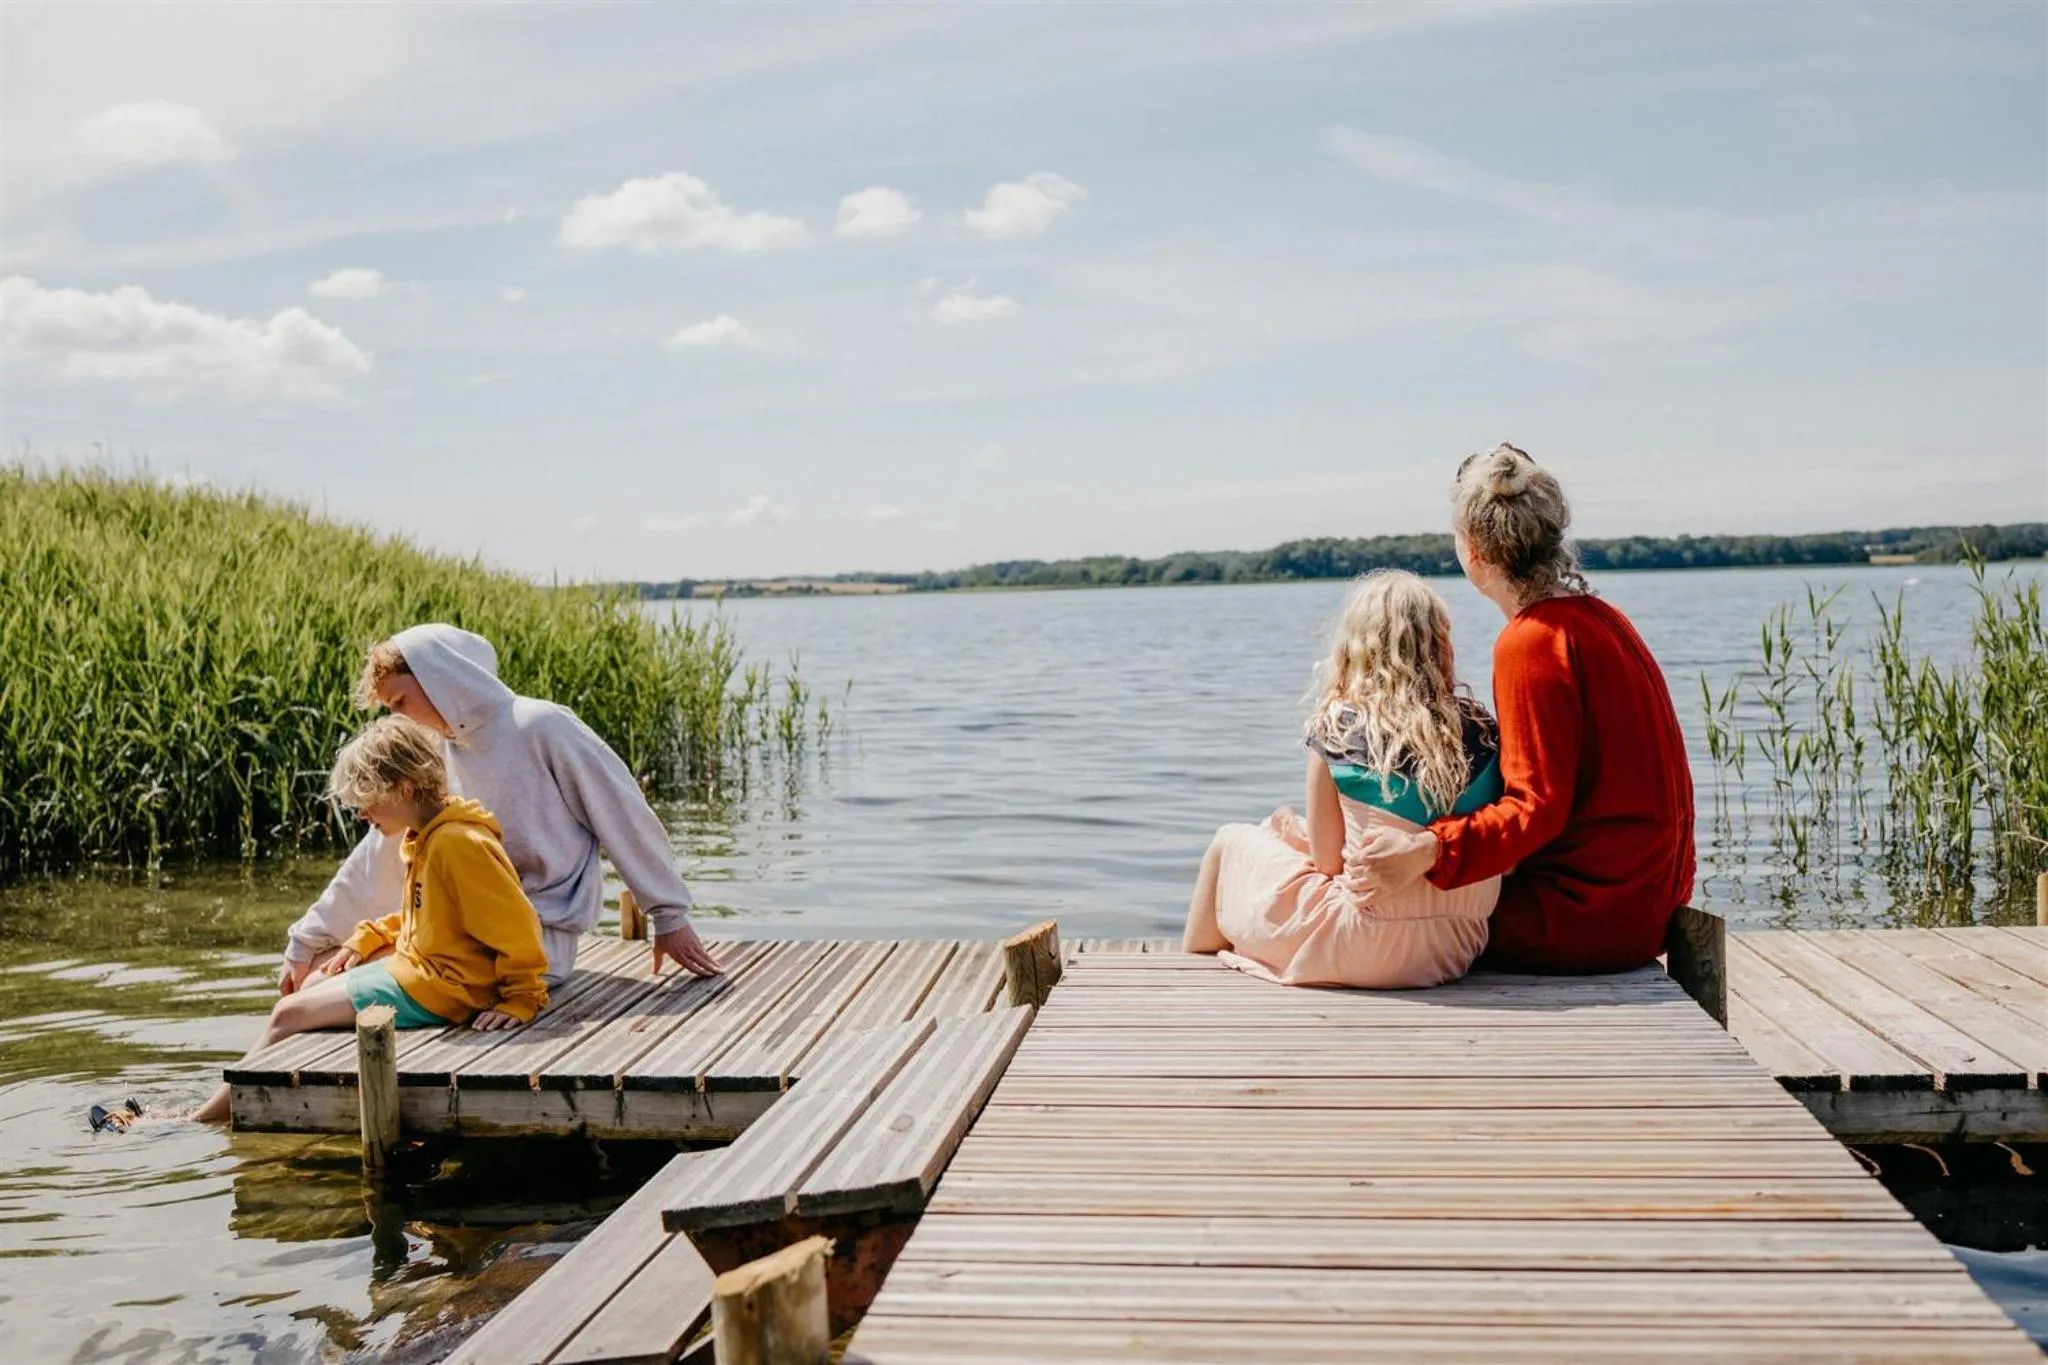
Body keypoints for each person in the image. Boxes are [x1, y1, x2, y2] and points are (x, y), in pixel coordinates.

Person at [1346, 443, 1695, 973]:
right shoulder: (1603, 619)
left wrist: (1425, 850)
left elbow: (1537, 811)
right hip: (1644, 906)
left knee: (1384, 916)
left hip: (1582, 921)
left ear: (1474, 551)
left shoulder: (1532, 642)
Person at [102, 716, 549, 1127]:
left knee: (286, 1014)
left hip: (445, 987)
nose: (361, 813)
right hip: (425, 970)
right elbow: (432, 916)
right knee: (312, 983)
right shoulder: (427, 837)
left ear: (406, 787)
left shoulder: (458, 843)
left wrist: (521, 997)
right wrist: (367, 937)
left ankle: (196, 1119)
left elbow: (518, 925)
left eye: (368, 800)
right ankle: (218, 1098)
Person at [277, 624, 720, 994]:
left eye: (400, 702)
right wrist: (307, 939)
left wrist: (668, 915)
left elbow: (622, 812)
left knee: (323, 986)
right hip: (461, 938)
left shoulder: (540, 726)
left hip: (534, 945)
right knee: (321, 969)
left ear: (440, 677)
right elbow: (381, 856)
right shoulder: (440, 751)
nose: (400, 718)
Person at [1182, 570, 1504, 988]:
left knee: (1229, 841)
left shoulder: (1338, 725)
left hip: (1362, 941)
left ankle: (1189, 969)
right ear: (1440, 643)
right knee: (1285, 831)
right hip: (1455, 947)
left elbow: (1329, 864)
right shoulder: (1483, 729)